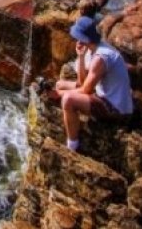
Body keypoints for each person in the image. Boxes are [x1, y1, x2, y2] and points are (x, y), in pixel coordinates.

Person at [53, 15, 134, 152]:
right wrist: (81, 57)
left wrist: (59, 95)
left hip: (115, 108)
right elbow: (81, 83)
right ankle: (69, 118)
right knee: (60, 84)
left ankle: (72, 145)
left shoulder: (101, 58)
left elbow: (86, 90)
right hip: (102, 93)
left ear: (84, 38)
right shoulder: (93, 48)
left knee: (67, 100)